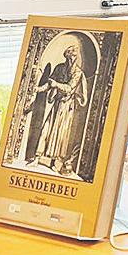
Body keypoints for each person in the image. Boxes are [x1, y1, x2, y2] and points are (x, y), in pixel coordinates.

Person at [33, 44, 89, 175]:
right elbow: (49, 84)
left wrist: (56, 84)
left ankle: (54, 162)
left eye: (74, 56)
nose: (72, 59)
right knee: (46, 129)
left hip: (67, 107)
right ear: (66, 56)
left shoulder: (78, 73)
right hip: (57, 103)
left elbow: (69, 88)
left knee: (59, 134)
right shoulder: (59, 68)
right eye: (70, 56)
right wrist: (38, 89)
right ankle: (37, 158)